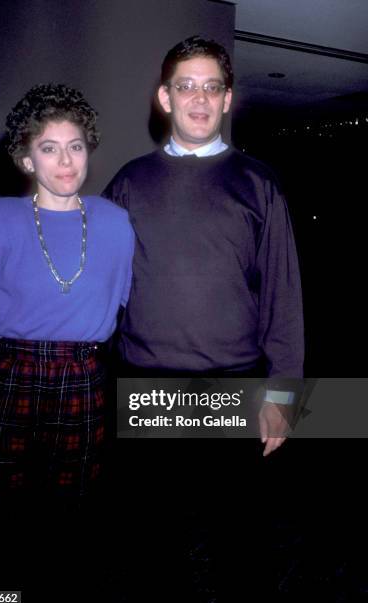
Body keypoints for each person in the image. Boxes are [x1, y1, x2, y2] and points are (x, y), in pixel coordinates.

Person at [103, 35, 304, 456]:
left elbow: (282, 297)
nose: (200, 98)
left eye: (212, 87)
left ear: (227, 99)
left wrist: (283, 395)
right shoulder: (128, 182)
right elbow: (93, 282)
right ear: (165, 96)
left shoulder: (259, 184)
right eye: (186, 86)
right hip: (144, 389)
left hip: (232, 389)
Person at [0, 83, 134, 508]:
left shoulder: (116, 223)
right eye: (49, 148)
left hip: (84, 381)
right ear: (27, 158)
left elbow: (129, 307)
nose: (67, 161)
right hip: (11, 378)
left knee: (73, 521)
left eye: (76, 146)